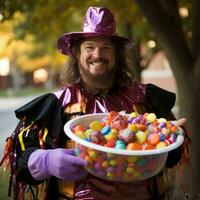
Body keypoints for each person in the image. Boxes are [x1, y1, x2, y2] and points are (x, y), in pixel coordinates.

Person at [1, 6, 188, 200]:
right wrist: (46, 161)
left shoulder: (145, 99)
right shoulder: (57, 104)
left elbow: (171, 158)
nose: (97, 55)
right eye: (89, 47)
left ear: (117, 55)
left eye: (105, 48)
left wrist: (168, 135)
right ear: (77, 54)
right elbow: (18, 162)